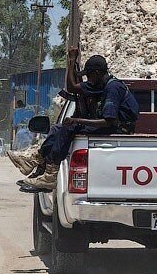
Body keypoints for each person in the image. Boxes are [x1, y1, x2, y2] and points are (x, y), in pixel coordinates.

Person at [18, 51, 139, 192]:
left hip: (119, 128)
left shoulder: (112, 88)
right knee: (58, 129)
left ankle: (50, 175)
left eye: (89, 74)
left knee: (72, 125)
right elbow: (72, 87)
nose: (87, 78)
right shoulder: (101, 85)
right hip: (113, 125)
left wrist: (77, 119)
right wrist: (71, 61)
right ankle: (36, 159)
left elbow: (109, 121)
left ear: (98, 72)